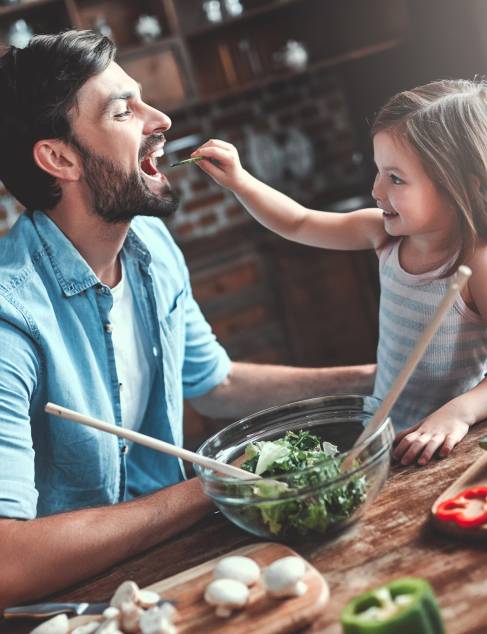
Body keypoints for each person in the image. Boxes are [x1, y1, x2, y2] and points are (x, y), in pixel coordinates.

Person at [0, 30, 374, 607]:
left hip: (166, 567)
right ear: (59, 158)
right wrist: (215, 483)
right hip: (69, 608)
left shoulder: (147, 241)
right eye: (123, 110)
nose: (161, 119)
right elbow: (8, 564)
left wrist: (378, 381)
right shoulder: (9, 319)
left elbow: (215, 382)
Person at [194, 79, 487, 471]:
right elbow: (298, 222)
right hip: (388, 439)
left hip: (451, 447)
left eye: (395, 178)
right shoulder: (382, 235)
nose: (376, 189)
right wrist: (240, 181)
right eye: (378, 171)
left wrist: (459, 413)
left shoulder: (477, 265)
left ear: (461, 188)